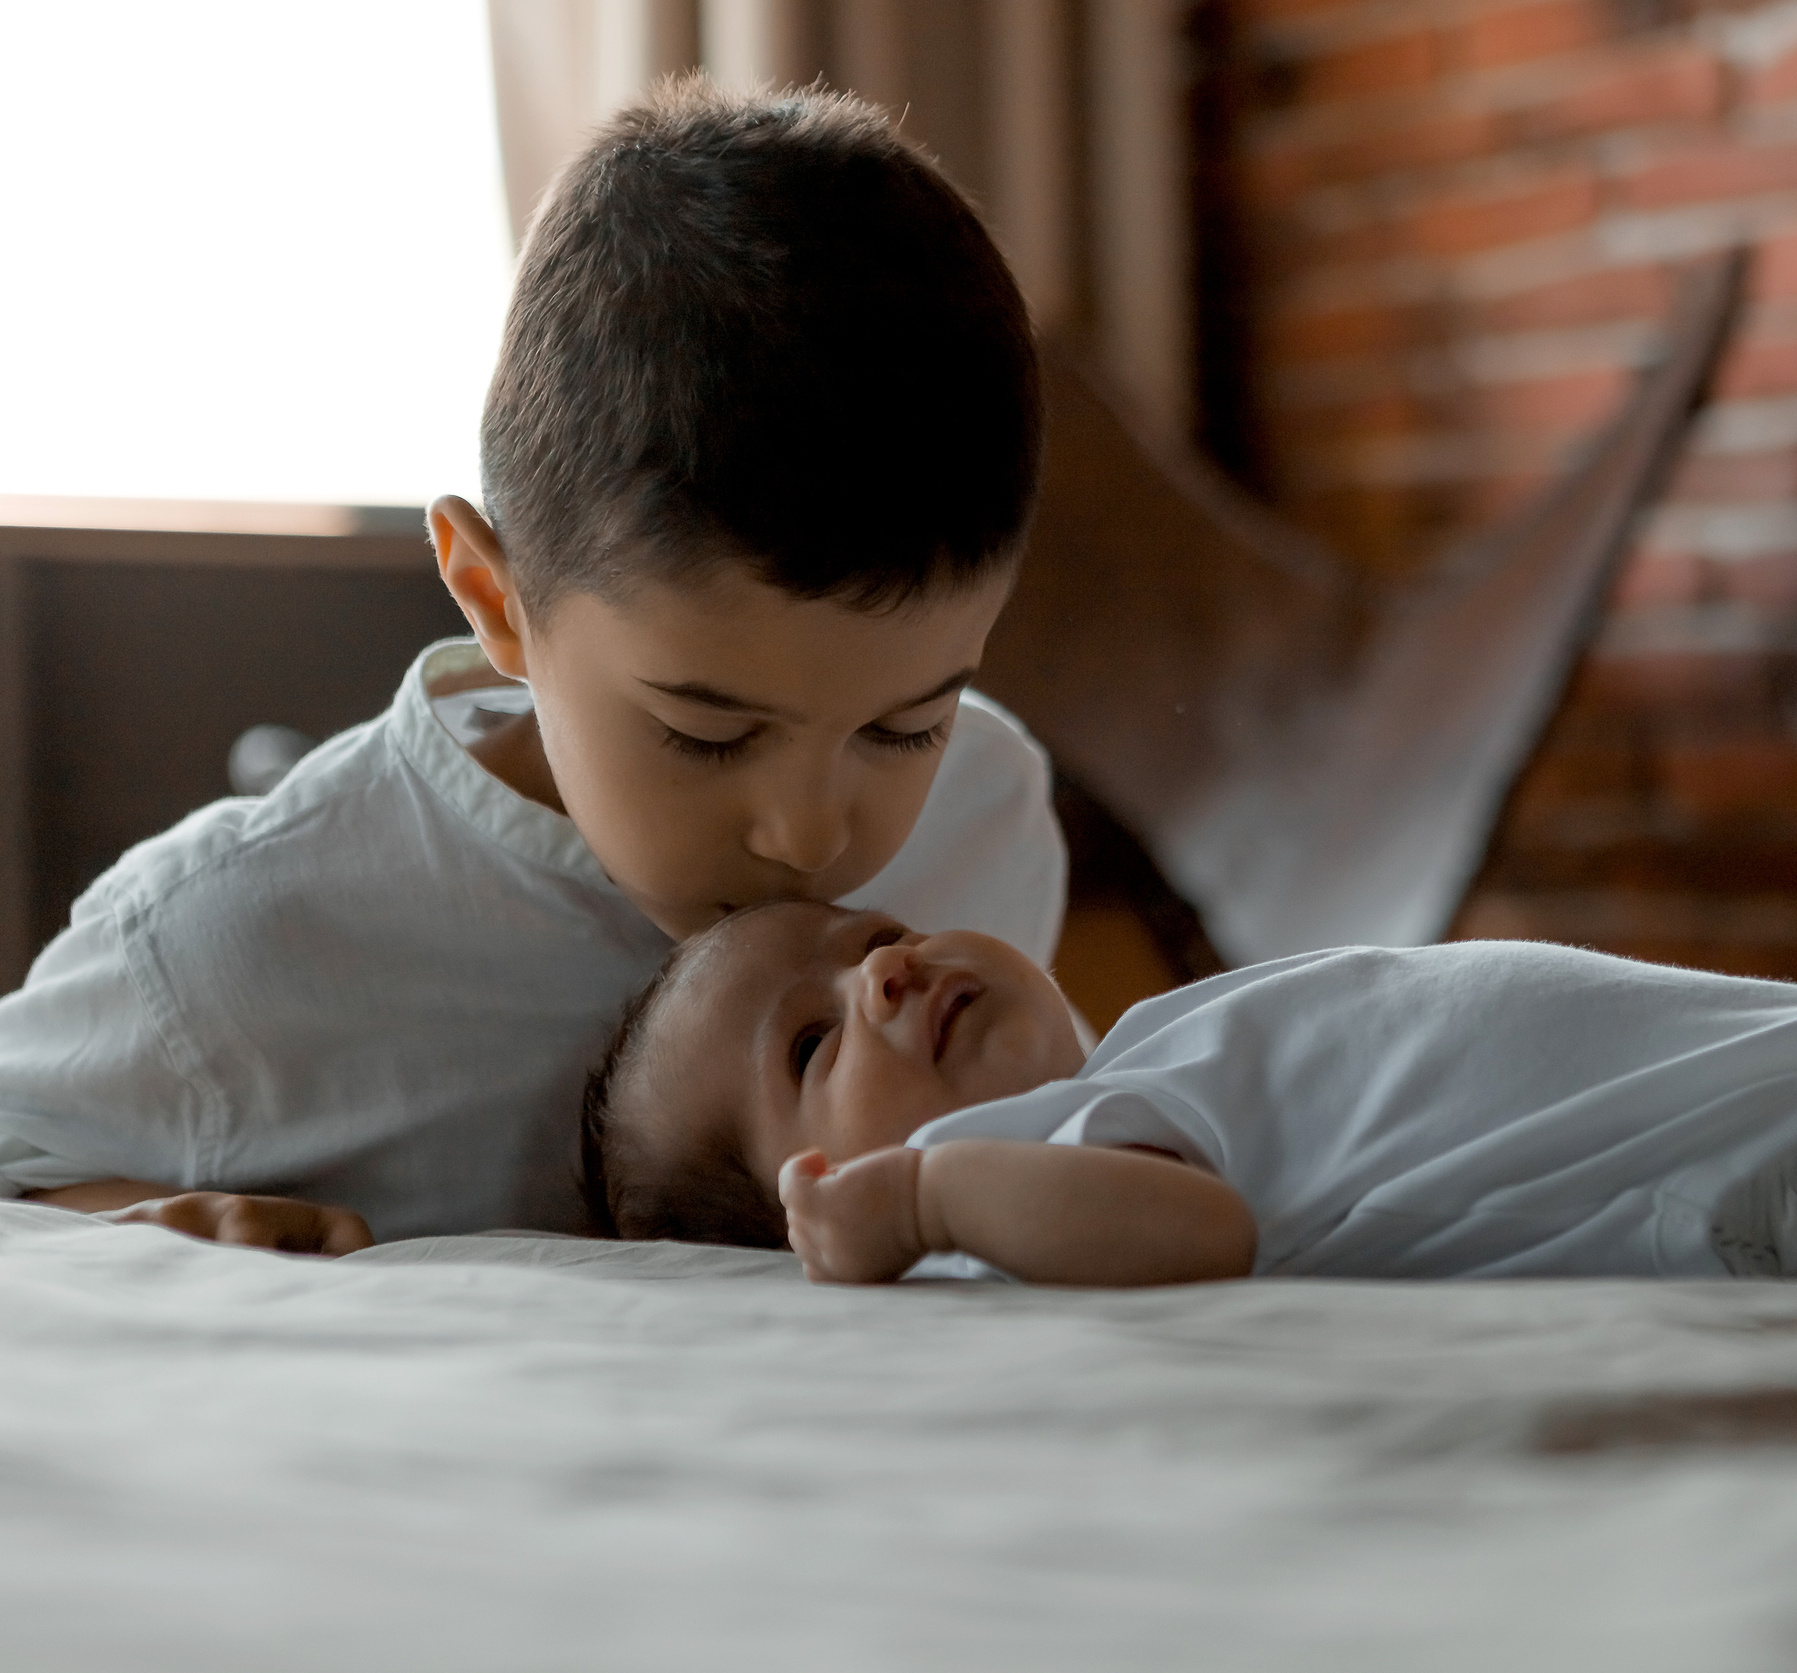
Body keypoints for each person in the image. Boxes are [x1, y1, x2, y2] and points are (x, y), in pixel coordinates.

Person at [0, 81, 1063, 1249]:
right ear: (496, 598)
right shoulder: (228, 951)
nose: (810, 838)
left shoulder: (990, 818)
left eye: (906, 725)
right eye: (708, 734)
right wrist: (131, 1223)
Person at [583, 900, 1797, 1307]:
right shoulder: (1030, 1167)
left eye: (868, 936)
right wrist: (926, 1214)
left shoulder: (1153, 1041)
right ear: (821, 1182)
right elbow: (1196, 1236)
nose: (879, 971)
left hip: (1787, 1073)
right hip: (1752, 1182)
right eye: (807, 1039)